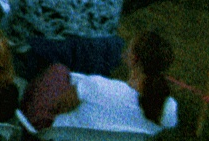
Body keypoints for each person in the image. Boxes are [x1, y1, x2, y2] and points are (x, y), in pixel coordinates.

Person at [48, 30, 179, 134]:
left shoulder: (97, 86)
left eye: (130, 47)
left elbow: (55, 109)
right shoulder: (169, 108)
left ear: (133, 59)